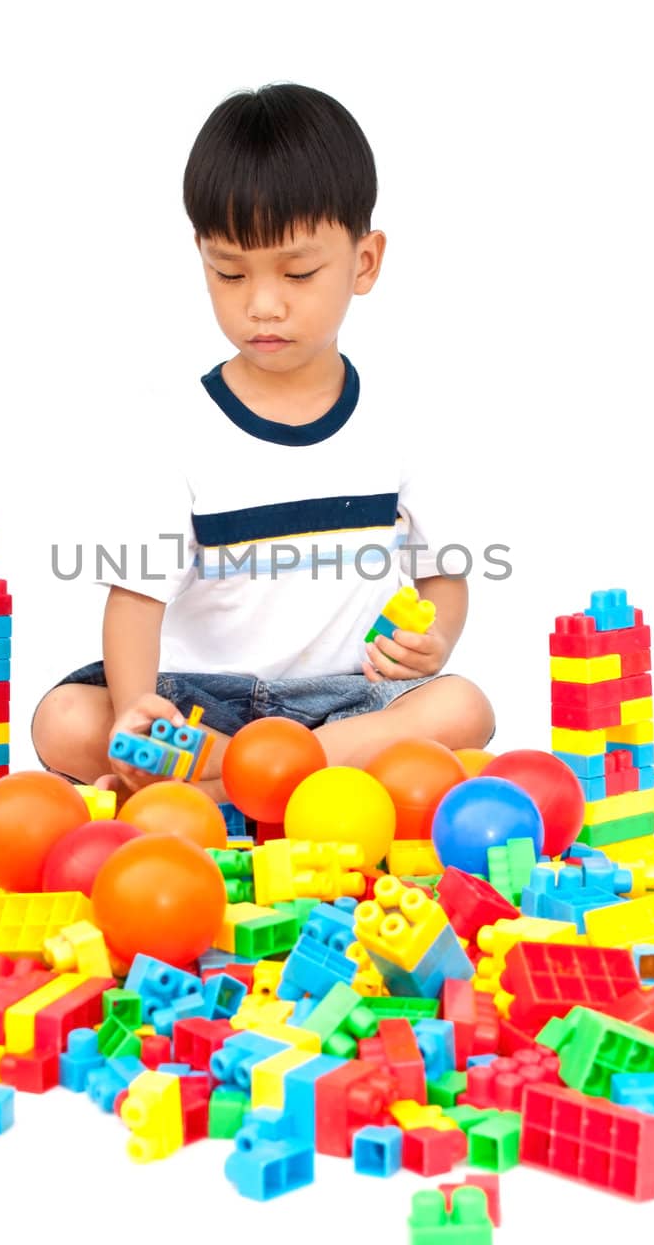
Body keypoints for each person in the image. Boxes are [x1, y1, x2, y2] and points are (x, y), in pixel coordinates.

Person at [32, 82, 495, 808]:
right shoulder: (177, 430)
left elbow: (443, 580)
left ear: (364, 262)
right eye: (229, 272)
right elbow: (134, 601)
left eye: (298, 272)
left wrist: (430, 644)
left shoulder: (399, 423)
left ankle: (235, 783)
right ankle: (264, 781)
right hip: (201, 705)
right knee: (65, 719)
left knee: (461, 707)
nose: (262, 303)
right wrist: (134, 708)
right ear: (201, 259)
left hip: (343, 703)